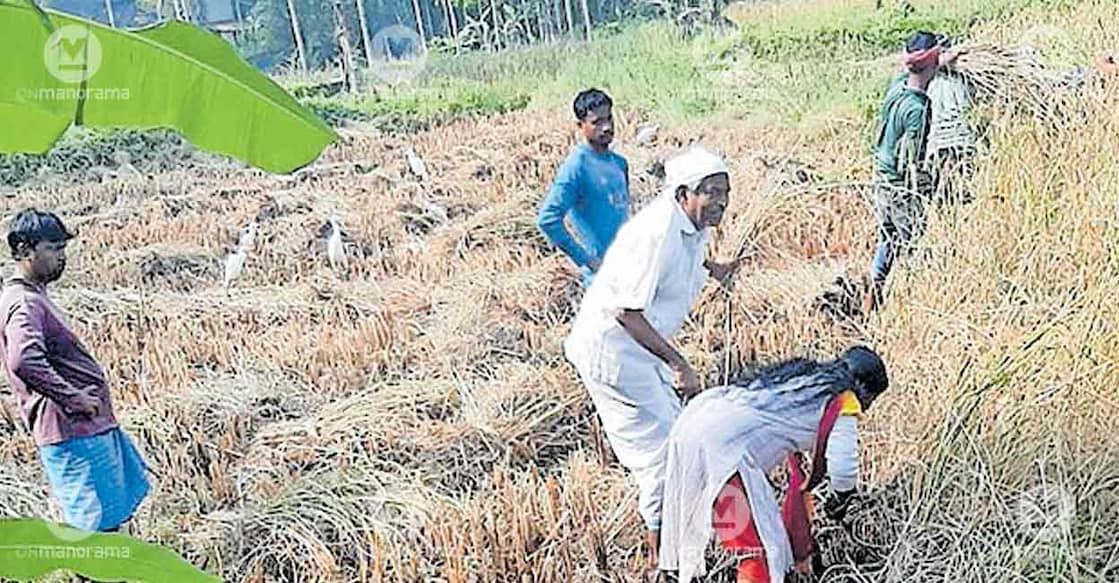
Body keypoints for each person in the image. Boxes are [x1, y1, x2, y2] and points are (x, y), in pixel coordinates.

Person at [563, 145, 743, 572]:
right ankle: (660, 562)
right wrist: (679, 363)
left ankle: (676, 543)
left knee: (679, 440)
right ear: (683, 194)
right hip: (614, 355)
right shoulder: (655, 234)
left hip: (640, 354)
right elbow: (626, 312)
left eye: (725, 192)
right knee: (663, 460)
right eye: (712, 192)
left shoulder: (691, 226)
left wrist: (716, 270)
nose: (721, 202)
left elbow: (686, 261)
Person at [658, 346, 890, 583]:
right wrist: (842, 498)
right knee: (758, 550)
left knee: (747, 541)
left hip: (697, 421)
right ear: (865, 389)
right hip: (723, 454)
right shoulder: (844, 402)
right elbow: (844, 470)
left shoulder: (804, 378)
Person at [0, 209, 149, 533]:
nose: (62, 257)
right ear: (24, 249)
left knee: (107, 521)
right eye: (53, 248)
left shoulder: (32, 296)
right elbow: (23, 359)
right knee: (92, 530)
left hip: (84, 427)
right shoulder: (24, 302)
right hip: (72, 429)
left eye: (63, 248)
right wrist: (74, 398)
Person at [865, 31, 947, 312]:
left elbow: (915, 72)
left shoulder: (897, 87)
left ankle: (872, 297)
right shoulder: (918, 109)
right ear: (933, 62)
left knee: (887, 241)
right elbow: (909, 162)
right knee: (914, 248)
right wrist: (931, 184)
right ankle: (910, 309)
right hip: (899, 189)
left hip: (881, 181)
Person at [537, 88, 630, 286]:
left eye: (609, 118)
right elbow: (547, 219)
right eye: (596, 122)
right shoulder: (576, 167)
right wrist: (585, 259)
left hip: (628, 271)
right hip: (601, 281)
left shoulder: (619, 163)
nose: (606, 127)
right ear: (580, 126)